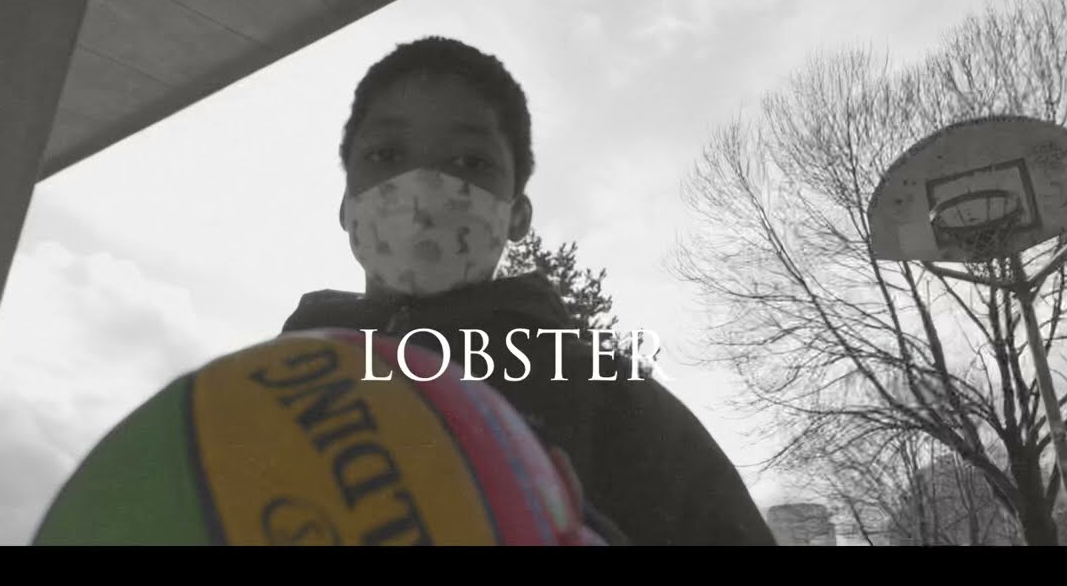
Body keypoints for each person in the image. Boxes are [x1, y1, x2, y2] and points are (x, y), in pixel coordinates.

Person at [280, 36, 776, 546]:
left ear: (517, 215)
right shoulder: (267, 389)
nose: (423, 188)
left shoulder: (613, 403)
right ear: (346, 205)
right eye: (386, 154)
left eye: (470, 162)